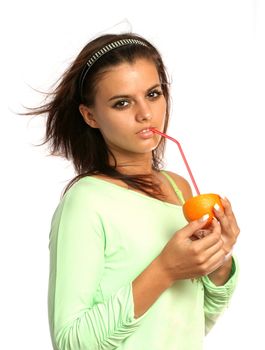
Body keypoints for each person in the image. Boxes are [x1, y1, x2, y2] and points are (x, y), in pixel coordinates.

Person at [29, 32, 240, 349]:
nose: (145, 113)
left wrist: (218, 260)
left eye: (153, 94)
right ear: (90, 116)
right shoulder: (85, 202)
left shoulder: (179, 189)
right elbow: (70, 342)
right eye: (122, 103)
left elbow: (191, 323)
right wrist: (165, 269)